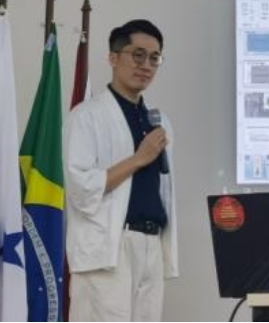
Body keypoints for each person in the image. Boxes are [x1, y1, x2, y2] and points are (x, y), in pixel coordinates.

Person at [65, 19, 178, 321]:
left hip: (151, 242)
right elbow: (79, 187)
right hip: (109, 247)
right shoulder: (86, 116)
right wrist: (138, 158)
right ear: (113, 58)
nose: (146, 65)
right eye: (138, 55)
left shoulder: (158, 121)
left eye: (154, 58)